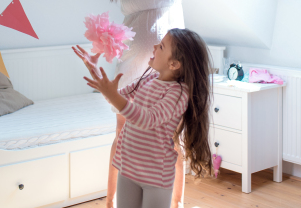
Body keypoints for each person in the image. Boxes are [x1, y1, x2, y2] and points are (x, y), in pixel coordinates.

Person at [41, 0, 220, 207]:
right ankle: (112, 201)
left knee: (171, 140)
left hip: (170, 67)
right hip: (135, 67)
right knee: (124, 134)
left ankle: (175, 202)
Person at [72, 28, 214, 208]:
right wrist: (95, 72)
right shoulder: (149, 80)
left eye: (161, 46)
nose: (154, 46)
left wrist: (113, 95)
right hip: (128, 168)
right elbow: (115, 99)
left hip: (156, 177)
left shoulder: (178, 93)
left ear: (174, 64)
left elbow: (147, 119)